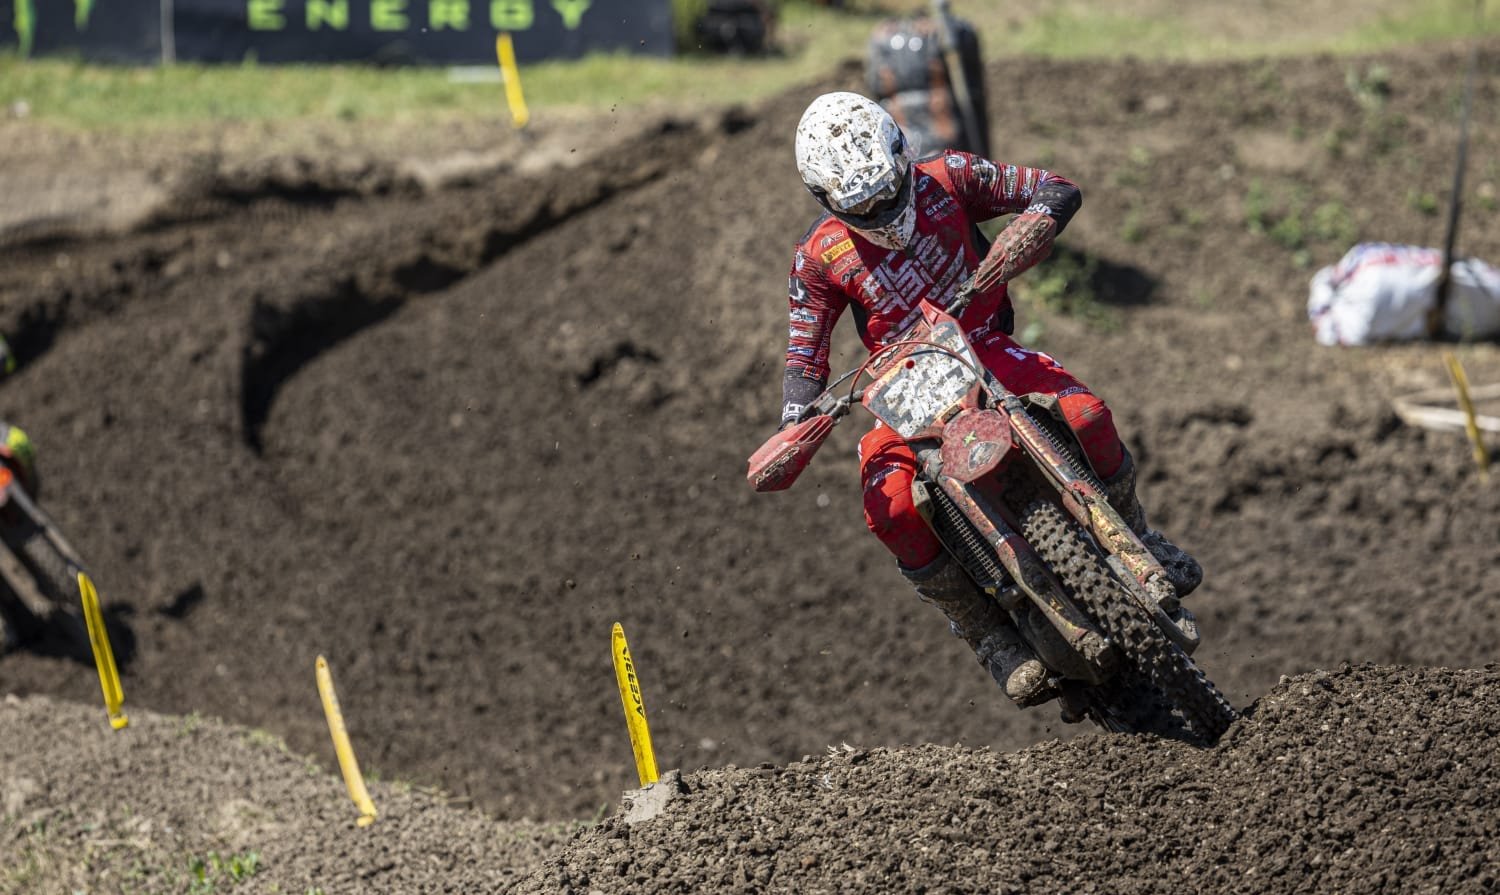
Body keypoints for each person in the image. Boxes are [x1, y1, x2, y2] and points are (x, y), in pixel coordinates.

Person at [776, 91, 1199, 707]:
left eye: (886, 192)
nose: (879, 210)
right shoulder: (818, 255)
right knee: (889, 508)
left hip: (982, 344)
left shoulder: (951, 177)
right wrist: (795, 423)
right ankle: (987, 635)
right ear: (826, 198)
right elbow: (804, 353)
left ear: (901, 154)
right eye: (860, 205)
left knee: (1086, 414)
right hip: (901, 385)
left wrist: (1031, 227)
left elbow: (1055, 188)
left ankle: (1139, 535)